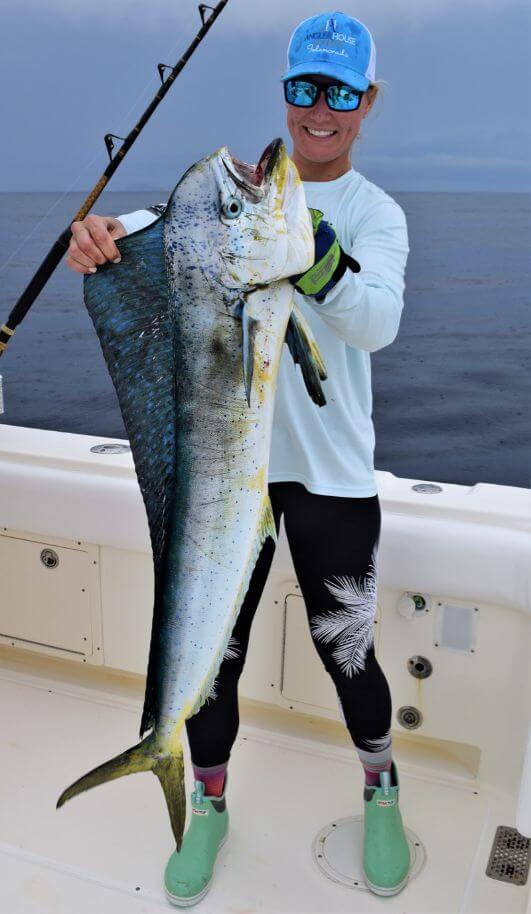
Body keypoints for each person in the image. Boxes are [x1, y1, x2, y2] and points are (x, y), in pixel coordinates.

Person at [66, 10, 411, 903]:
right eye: (303, 88)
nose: (318, 109)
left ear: (366, 101)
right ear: (286, 92)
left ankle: (379, 784)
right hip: (223, 483)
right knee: (212, 656)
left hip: (328, 477)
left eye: (339, 91)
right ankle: (202, 798)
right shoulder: (235, 212)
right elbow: (154, 236)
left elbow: (376, 320)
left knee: (347, 651)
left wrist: (311, 257)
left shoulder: (374, 215)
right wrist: (97, 236)